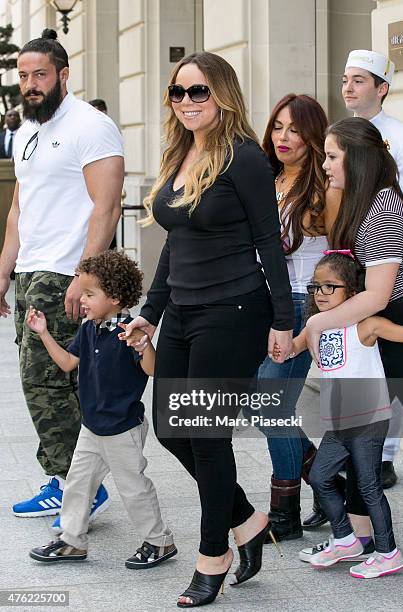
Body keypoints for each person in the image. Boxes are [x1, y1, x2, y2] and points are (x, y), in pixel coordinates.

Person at [121, 51, 294, 607]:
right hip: (184, 313)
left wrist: (285, 322)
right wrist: (151, 310)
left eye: (199, 92)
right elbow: (176, 243)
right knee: (172, 430)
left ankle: (212, 554)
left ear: (222, 93)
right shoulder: (180, 153)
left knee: (206, 436)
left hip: (236, 311)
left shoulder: (245, 160)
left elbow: (270, 243)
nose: (188, 102)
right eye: (179, 92)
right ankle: (246, 518)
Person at [0, 29, 124, 519]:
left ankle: (78, 485)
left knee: (45, 381)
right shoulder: (26, 129)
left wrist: (85, 276)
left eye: (40, 75)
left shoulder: (90, 126)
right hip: (32, 269)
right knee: (49, 381)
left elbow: (107, 206)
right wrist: (5, 268)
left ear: (63, 75)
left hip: (65, 272)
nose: (30, 84)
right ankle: (68, 479)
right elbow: (18, 208)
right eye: (24, 75)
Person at [300, 116, 403, 566]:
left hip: (394, 324)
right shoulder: (364, 200)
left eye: (331, 156)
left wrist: (316, 326)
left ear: (359, 158)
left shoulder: (383, 206)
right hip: (376, 324)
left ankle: (370, 543)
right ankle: (358, 539)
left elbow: (379, 293)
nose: (324, 164)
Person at [27, 251, 176, 568]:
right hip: (91, 428)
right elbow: (68, 363)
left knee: (133, 489)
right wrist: (43, 334)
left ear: (115, 298)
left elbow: (152, 369)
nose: (82, 301)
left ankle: (159, 542)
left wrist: (144, 345)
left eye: (89, 295)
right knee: (78, 485)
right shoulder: (88, 329)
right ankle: (72, 541)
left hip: (123, 430)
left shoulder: (131, 331)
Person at [282, 251, 403, 578]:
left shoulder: (367, 325)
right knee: (321, 476)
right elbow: (288, 349)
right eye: (315, 288)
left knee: (368, 487)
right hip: (339, 423)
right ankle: (346, 539)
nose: (320, 294)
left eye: (329, 287)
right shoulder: (316, 329)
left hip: (368, 419)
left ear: (352, 292)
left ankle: (387, 552)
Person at [257, 94, 342, 541]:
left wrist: (322, 314)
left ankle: (285, 512)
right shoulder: (263, 178)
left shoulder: (323, 188)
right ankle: (329, 484)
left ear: (313, 136)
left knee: (271, 403)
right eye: (277, 127)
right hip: (260, 302)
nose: (283, 137)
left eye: (294, 129)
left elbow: (343, 253)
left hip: (300, 303)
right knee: (266, 403)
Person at [342, 49, 403, 487]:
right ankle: (362, 448)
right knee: (361, 363)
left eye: (359, 80)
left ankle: (383, 455)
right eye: (345, 79)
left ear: (382, 88)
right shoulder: (339, 134)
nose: (348, 87)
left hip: (390, 263)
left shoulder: (401, 137)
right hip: (352, 264)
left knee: (392, 367)